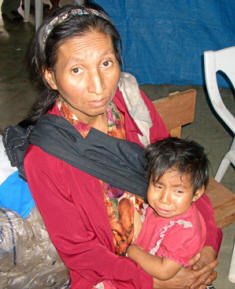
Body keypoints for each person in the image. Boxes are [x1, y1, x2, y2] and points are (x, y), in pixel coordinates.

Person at [14, 3, 221, 289]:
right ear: (50, 76)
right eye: (77, 69)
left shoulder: (133, 106)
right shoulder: (45, 159)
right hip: (114, 277)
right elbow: (81, 253)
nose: (98, 86)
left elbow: (183, 174)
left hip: (169, 246)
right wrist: (152, 282)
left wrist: (207, 244)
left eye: (106, 63)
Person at [127, 137, 209, 282]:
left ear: (197, 193)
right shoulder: (169, 210)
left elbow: (164, 271)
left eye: (178, 192)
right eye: (158, 186)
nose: (164, 199)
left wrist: (131, 251)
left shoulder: (184, 230)